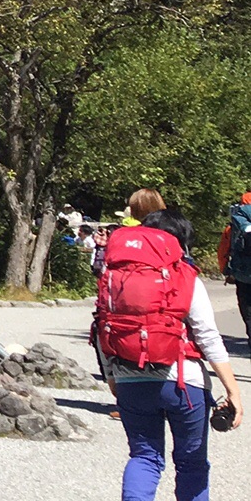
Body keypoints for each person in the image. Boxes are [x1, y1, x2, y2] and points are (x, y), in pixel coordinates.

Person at [98, 193, 243, 501]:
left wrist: (112, 375)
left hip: (130, 380)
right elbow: (207, 336)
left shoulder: (116, 275)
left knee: (144, 458)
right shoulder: (185, 277)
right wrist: (233, 391)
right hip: (182, 383)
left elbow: (102, 323)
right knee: (191, 464)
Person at [223, 191, 251, 340]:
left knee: (247, 310)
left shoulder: (236, 224)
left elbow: (225, 248)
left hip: (243, 274)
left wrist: (227, 271)